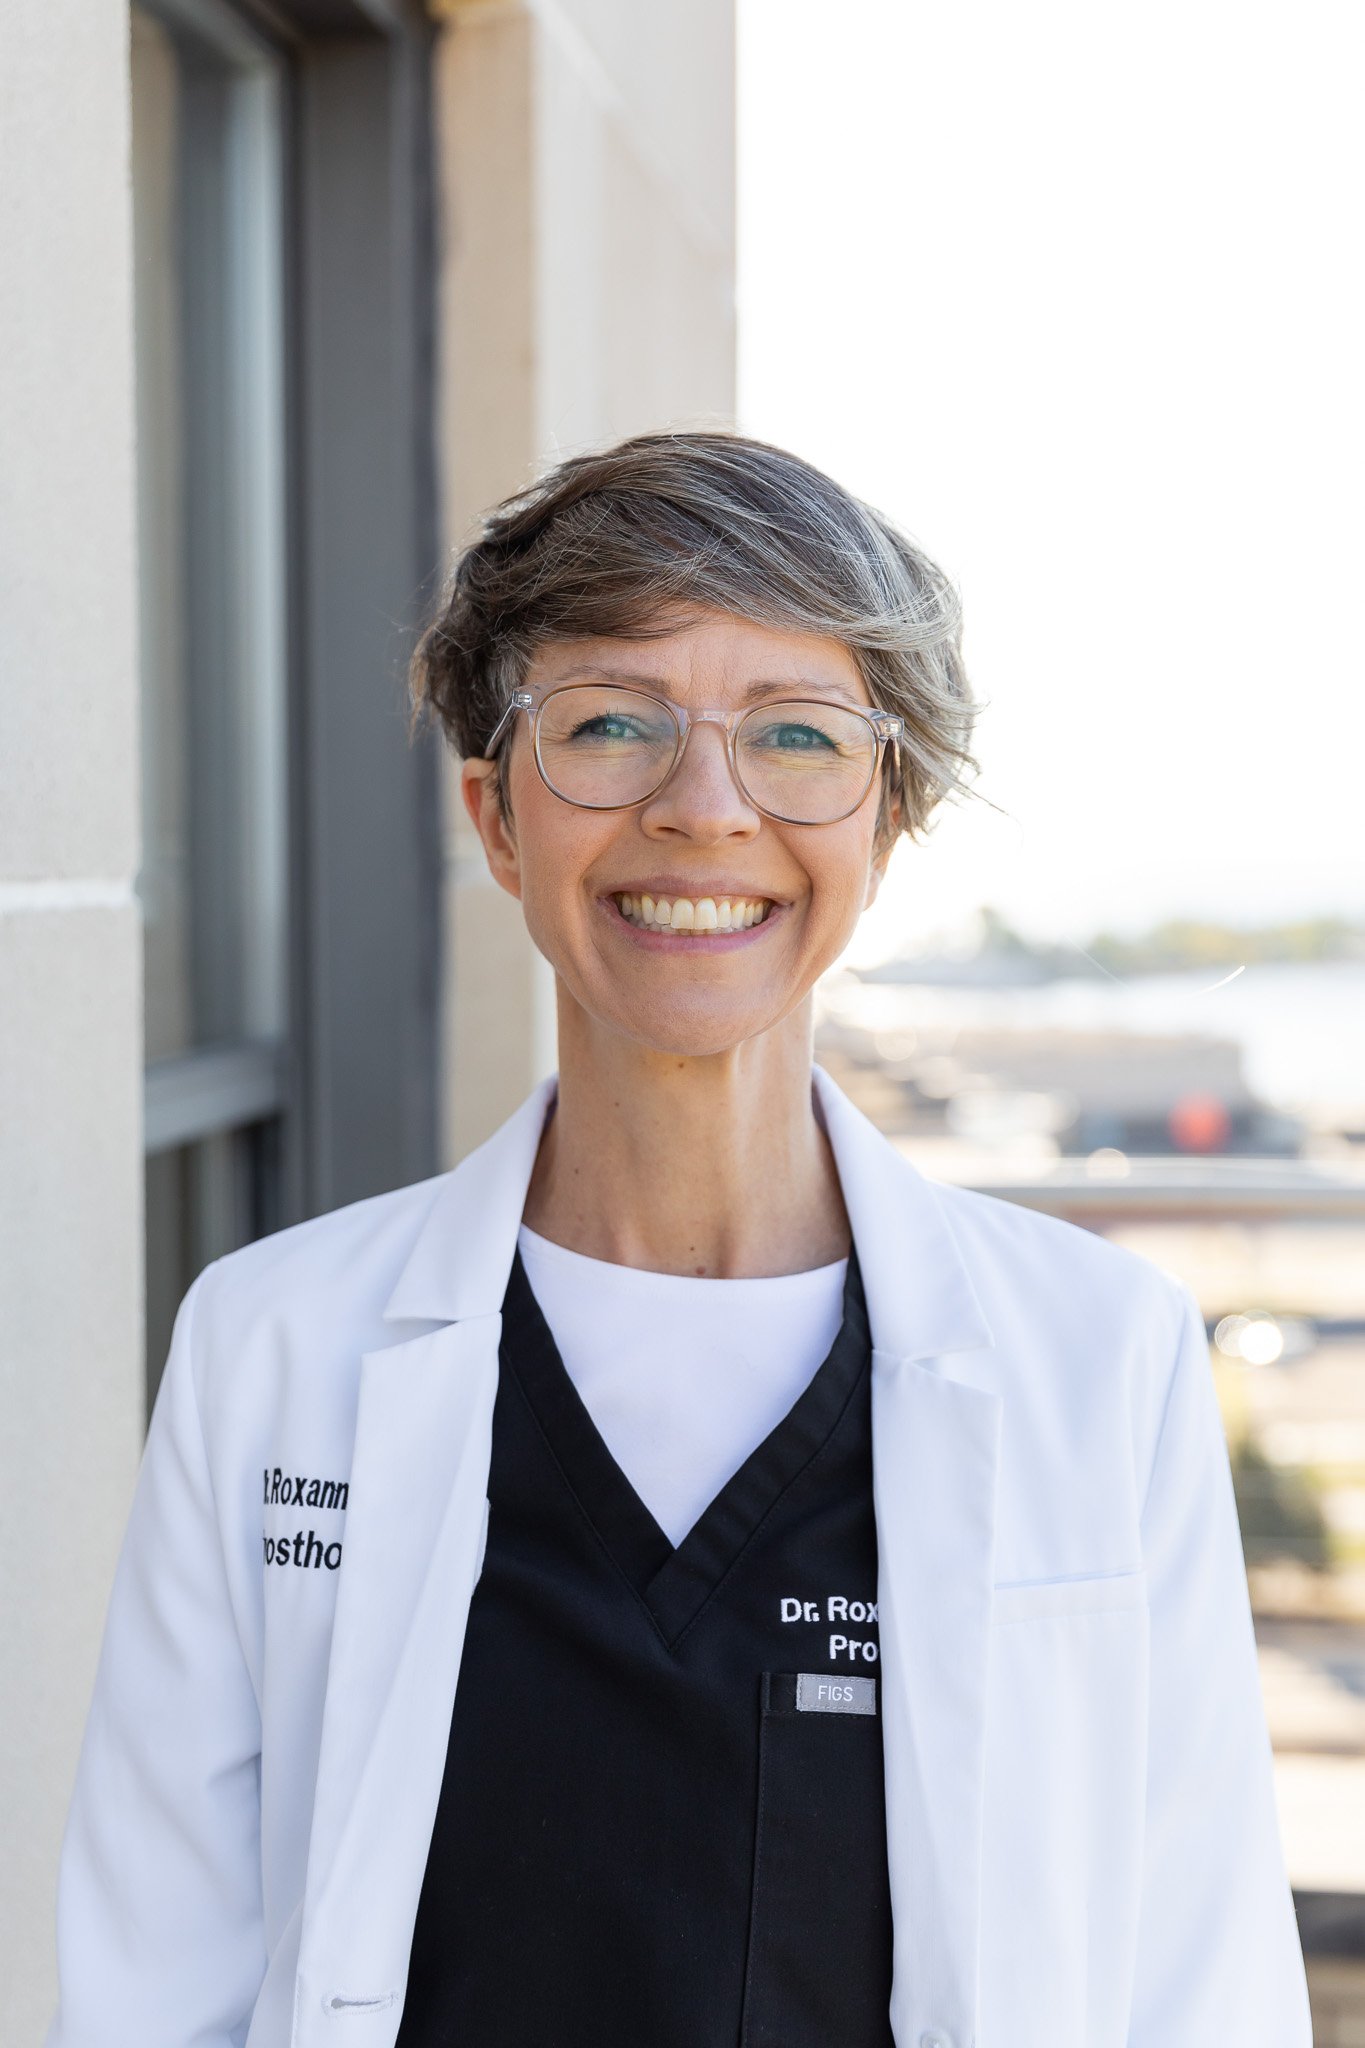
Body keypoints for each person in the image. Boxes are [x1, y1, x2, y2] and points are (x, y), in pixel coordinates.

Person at [48, 432, 1311, 2048]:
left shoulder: (1098, 1355)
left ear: (885, 816)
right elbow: (154, 1980)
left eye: (794, 734)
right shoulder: (272, 1347)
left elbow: (1194, 1978)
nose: (703, 810)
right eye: (609, 725)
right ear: (498, 820)